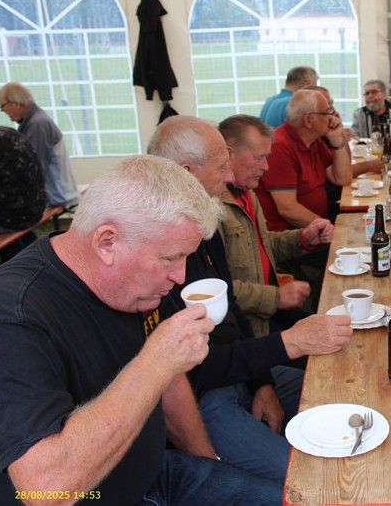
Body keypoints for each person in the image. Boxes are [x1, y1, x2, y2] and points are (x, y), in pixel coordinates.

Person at [0, 155, 283, 505]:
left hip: (157, 474)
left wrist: (207, 464)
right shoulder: (11, 314)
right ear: (107, 242)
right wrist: (156, 362)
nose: (180, 276)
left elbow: (170, 383)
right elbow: (46, 490)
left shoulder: (138, 284)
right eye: (169, 258)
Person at [147, 115, 325, 485]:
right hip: (205, 396)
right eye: (221, 166)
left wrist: (262, 383)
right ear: (186, 173)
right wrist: (288, 342)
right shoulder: (154, 255)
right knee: (302, 480)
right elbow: (191, 373)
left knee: (336, 391)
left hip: (240, 372)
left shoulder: (205, 224)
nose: (228, 176)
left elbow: (234, 312)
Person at [219, 114, 334, 338]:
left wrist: (303, 238)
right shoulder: (214, 209)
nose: (266, 166)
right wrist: (277, 297)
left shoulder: (246, 194)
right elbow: (218, 288)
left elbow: (263, 244)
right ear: (228, 153)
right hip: (247, 328)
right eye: (259, 157)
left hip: (268, 313)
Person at [255, 88, 353, 232]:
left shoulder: (314, 140)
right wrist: (331, 229)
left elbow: (343, 178)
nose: (332, 117)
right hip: (292, 233)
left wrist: (336, 138)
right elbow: (288, 209)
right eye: (327, 112)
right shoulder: (279, 146)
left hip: (318, 222)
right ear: (308, 120)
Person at [0, 100, 46, 249]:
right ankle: (30, 251)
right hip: (35, 209)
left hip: (11, 218)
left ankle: (9, 259)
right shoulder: (10, 132)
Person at [0, 82, 79, 208]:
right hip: (56, 191)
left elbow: (35, 167)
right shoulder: (35, 120)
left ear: (16, 104)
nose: (2, 110)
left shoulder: (37, 124)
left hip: (57, 195)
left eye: (2, 105)